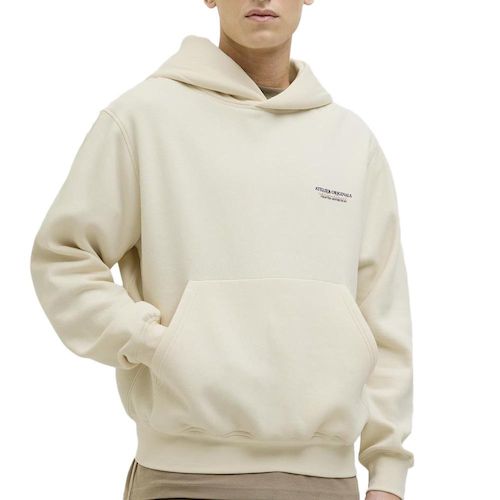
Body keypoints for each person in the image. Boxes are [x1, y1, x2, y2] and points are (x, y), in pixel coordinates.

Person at [30, 1, 414, 499]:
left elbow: (383, 311)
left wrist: (388, 474)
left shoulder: (350, 140)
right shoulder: (143, 118)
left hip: (326, 480)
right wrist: (152, 343)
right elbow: (63, 257)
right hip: (180, 477)